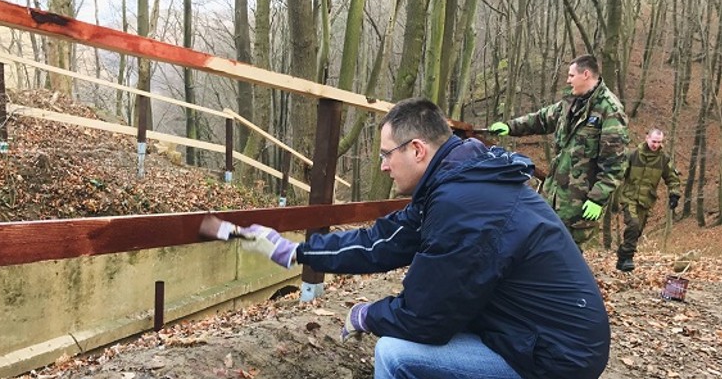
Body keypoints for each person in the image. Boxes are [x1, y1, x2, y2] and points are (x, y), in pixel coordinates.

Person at [202, 97, 610, 379]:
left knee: (395, 354)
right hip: (534, 334)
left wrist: (364, 314)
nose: (382, 165)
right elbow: (384, 241)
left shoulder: (464, 206)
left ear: (416, 149)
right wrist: (298, 250)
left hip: (555, 359)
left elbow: (424, 319)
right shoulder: (458, 184)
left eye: (385, 154)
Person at [489, 54, 629, 249]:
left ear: (586, 74)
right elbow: (541, 119)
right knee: (543, 243)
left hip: (580, 201)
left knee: (566, 251)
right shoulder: (571, 102)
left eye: (571, 75)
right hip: (554, 193)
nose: (568, 80)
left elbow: (615, 163)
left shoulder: (610, 110)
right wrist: (509, 127)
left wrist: (598, 198)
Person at [615, 128, 681, 272]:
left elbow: (672, 178)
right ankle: (627, 257)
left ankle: (622, 256)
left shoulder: (663, 159)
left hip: (647, 200)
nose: (656, 145)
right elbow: (618, 172)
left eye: (659, 142)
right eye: (653, 141)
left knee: (637, 230)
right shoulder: (633, 154)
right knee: (633, 224)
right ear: (647, 138)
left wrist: (674, 194)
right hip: (629, 196)